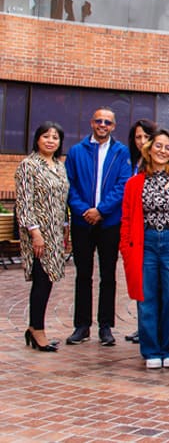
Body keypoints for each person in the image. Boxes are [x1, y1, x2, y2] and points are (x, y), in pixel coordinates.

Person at [120, 129, 169, 369]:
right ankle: (151, 349)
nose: (163, 151)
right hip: (146, 243)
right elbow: (126, 220)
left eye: (168, 147)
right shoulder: (134, 183)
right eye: (159, 146)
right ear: (149, 149)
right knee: (147, 297)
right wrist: (126, 249)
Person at [65, 107, 132, 346]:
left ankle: (106, 327)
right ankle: (82, 326)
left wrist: (101, 210)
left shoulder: (121, 152)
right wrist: (85, 210)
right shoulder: (76, 151)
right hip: (83, 222)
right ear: (92, 123)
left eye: (108, 122)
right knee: (83, 274)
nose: (103, 125)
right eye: (99, 121)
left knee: (108, 276)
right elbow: (69, 185)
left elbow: (123, 185)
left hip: (109, 222)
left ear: (114, 126)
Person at [15, 122, 69, 352]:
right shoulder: (28, 166)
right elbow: (24, 203)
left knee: (48, 280)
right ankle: (37, 330)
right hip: (38, 233)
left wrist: (66, 227)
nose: (50, 141)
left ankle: (35, 327)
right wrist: (35, 233)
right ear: (37, 139)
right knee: (41, 279)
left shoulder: (58, 165)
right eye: (45, 136)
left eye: (55, 137)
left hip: (55, 232)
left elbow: (62, 199)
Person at [125, 118, 157, 344]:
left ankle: (153, 332)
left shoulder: (156, 166)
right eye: (138, 137)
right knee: (140, 283)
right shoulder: (131, 162)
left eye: (147, 137)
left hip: (156, 234)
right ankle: (143, 329)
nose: (142, 141)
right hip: (135, 233)